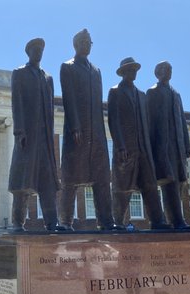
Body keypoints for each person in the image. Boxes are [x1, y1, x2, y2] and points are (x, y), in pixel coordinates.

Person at [59, 29, 122, 231]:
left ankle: (106, 220)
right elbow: (68, 98)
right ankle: (66, 221)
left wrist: (101, 133)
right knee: (70, 178)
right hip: (76, 131)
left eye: (89, 42)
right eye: (83, 41)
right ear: (75, 44)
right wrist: (75, 125)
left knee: (102, 178)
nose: (86, 44)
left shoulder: (96, 71)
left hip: (97, 133)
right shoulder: (67, 67)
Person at [108, 57, 170, 229]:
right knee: (123, 187)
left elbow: (148, 124)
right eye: (129, 69)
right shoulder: (115, 92)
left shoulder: (142, 96)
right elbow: (113, 120)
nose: (132, 72)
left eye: (134, 69)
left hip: (144, 149)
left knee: (150, 185)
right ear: (122, 72)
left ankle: (158, 221)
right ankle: (118, 222)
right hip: (126, 148)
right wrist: (120, 145)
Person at [8, 38, 61, 231]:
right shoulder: (20, 73)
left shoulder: (48, 77)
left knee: (47, 181)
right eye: (35, 49)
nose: (39, 53)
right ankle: (17, 222)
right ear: (28, 52)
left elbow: (51, 109)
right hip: (27, 136)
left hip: (45, 138)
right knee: (22, 182)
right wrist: (19, 130)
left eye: (41, 50)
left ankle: (52, 222)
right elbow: (17, 102)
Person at [146, 61, 190, 230]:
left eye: (170, 69)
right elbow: (150, 123)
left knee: (180, 182)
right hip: (163, 147)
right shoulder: (153, 92)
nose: (168, 72)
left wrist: (187, 145)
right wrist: (151, 149)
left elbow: (182, 121)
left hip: (178, 147)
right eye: (165, 69)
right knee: (169, 183)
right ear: (157, 72)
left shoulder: (176, 94)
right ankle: (176, 221)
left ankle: (177, 220)